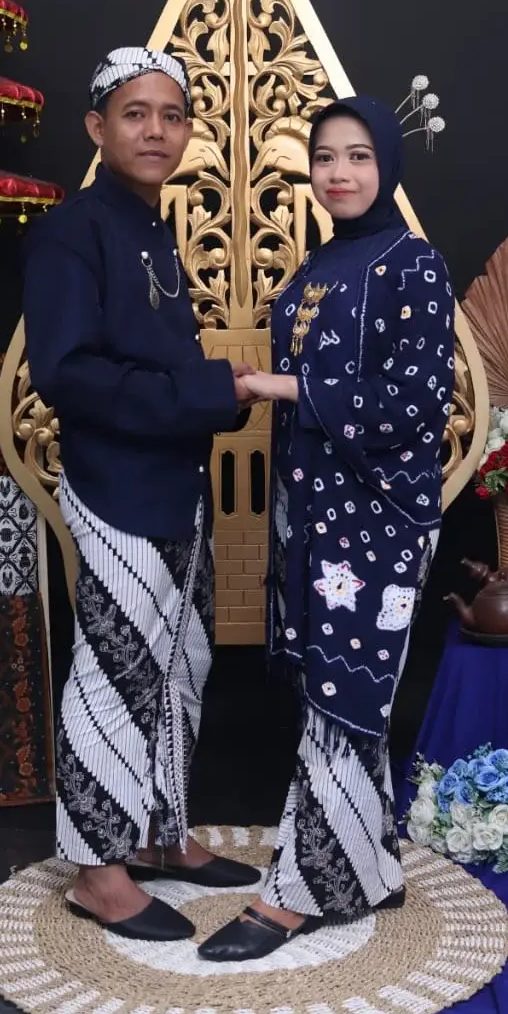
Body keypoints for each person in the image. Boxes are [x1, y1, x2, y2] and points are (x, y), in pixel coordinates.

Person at [198, 95, 455, 961]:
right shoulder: (317, 265)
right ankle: (368, 868)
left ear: (389, 165)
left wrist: (283, 387)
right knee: (334, 690)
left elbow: (415, 404)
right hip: (312, 513)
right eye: (323, 157)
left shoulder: (412, 264)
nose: (338, 173)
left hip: (378, 516)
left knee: (345, 696)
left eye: (357, 156)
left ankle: (296, 895)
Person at [23, 46, 260, 943]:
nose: (155, 130)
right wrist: (212, 391)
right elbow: (69, 374)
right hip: (118, 486)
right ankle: (96, 870)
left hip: (175, 484)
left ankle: (162, 833)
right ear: (97, 127)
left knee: (179, 664)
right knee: (114, 673)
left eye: (171, 114)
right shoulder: (72, 232)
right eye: (134, 113)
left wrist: (215, 395)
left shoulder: (150, 229)